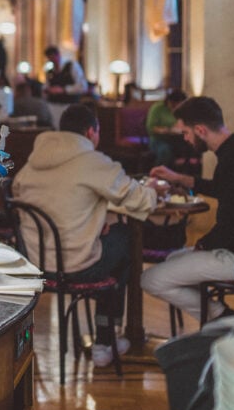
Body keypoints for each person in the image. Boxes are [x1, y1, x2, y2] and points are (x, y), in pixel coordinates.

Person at [12, 103, 160, 366]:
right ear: (91, 132)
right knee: (125, 242)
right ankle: (105, 341)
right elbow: (140, 201)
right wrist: (155, 189)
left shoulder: (32, 163)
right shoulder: (93, 162)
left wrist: (97, 219)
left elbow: (53, 205)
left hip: (35, 264)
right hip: (76, 266)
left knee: (111, 237)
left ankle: (104, 337)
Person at [142, 97, 234, 322]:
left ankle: (221, 316)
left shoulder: (231, 160)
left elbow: (233, 222)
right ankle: (218, 316)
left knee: (150, 279)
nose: (185, 138)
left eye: (186, 132)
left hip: (233, 254)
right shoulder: (232, 150)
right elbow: (224, 190)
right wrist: (180, 179)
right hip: (230, 246)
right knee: (173, 258)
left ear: (200, 130)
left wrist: (203, 245)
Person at [43, 45, 88, 128]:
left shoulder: (72, 66)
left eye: (53, 58)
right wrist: (48, 90)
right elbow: (46, 86)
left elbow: (83, 86)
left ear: (58, 55)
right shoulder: (49, 72)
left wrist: (64, 90)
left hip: (69, 105)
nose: (52, 61)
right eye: (50, 59)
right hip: (53, 106)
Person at [146, 89, 187, 167]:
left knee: (190, 148)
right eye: (174, 104)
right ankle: (159, 174)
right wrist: (167, 130)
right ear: (169, 101)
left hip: (177, 139)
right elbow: (151, 128)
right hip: (159, 140)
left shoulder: (182, 110)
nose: (176, 106)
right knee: (165, 151)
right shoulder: (158, 108)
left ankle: (184, 175)